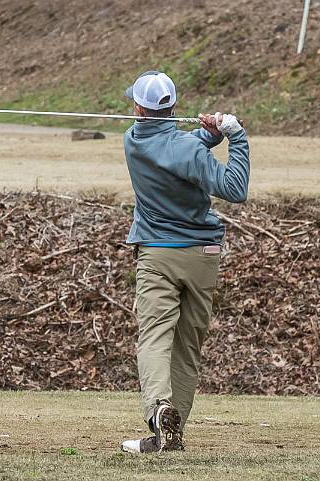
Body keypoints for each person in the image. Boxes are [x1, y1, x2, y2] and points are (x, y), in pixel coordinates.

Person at [119, 71, 250, 453]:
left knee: (155, 338)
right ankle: (171, 435)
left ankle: (160, 410)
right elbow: (232, 187)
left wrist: (211, 136)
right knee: (187, 347)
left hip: (157, 253)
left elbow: (178, 150)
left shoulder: (132, 140)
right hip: (202, 256)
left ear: (140, 108)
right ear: (173, 107)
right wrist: (234, 138)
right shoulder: (187, 150)